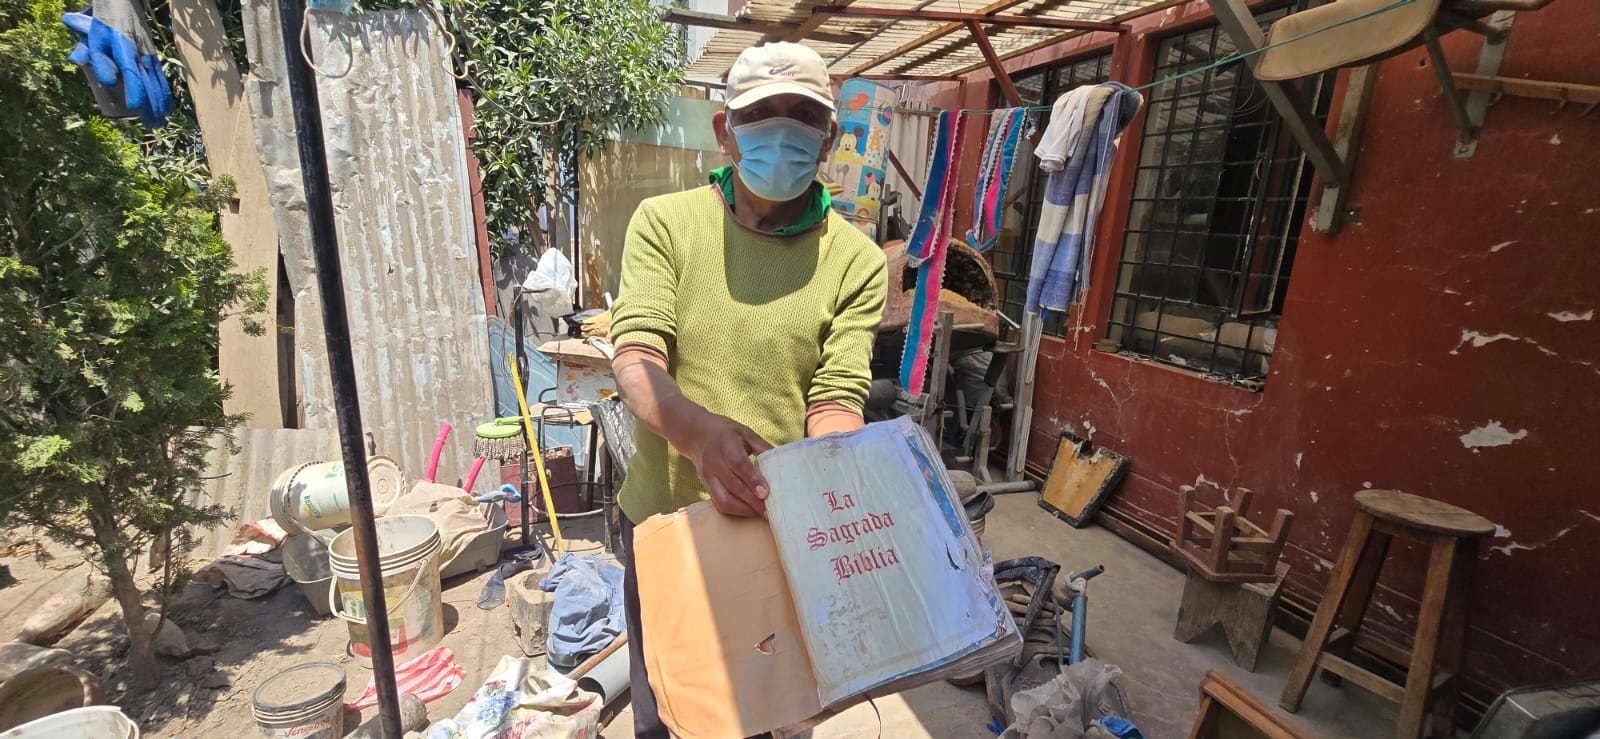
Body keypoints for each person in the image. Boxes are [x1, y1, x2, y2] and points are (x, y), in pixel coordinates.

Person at [607, 42, 888, 738]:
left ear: (829, 135)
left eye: (803, 117)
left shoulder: (856, 259)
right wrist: (698, 433)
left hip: (778, 534)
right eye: (763, 114)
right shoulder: (666, 223)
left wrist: (832, 476)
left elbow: (836, 398)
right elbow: (637, 356)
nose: (785, 132)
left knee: (776, 715)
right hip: (668, 527)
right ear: (725, 130)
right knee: (670, 717)